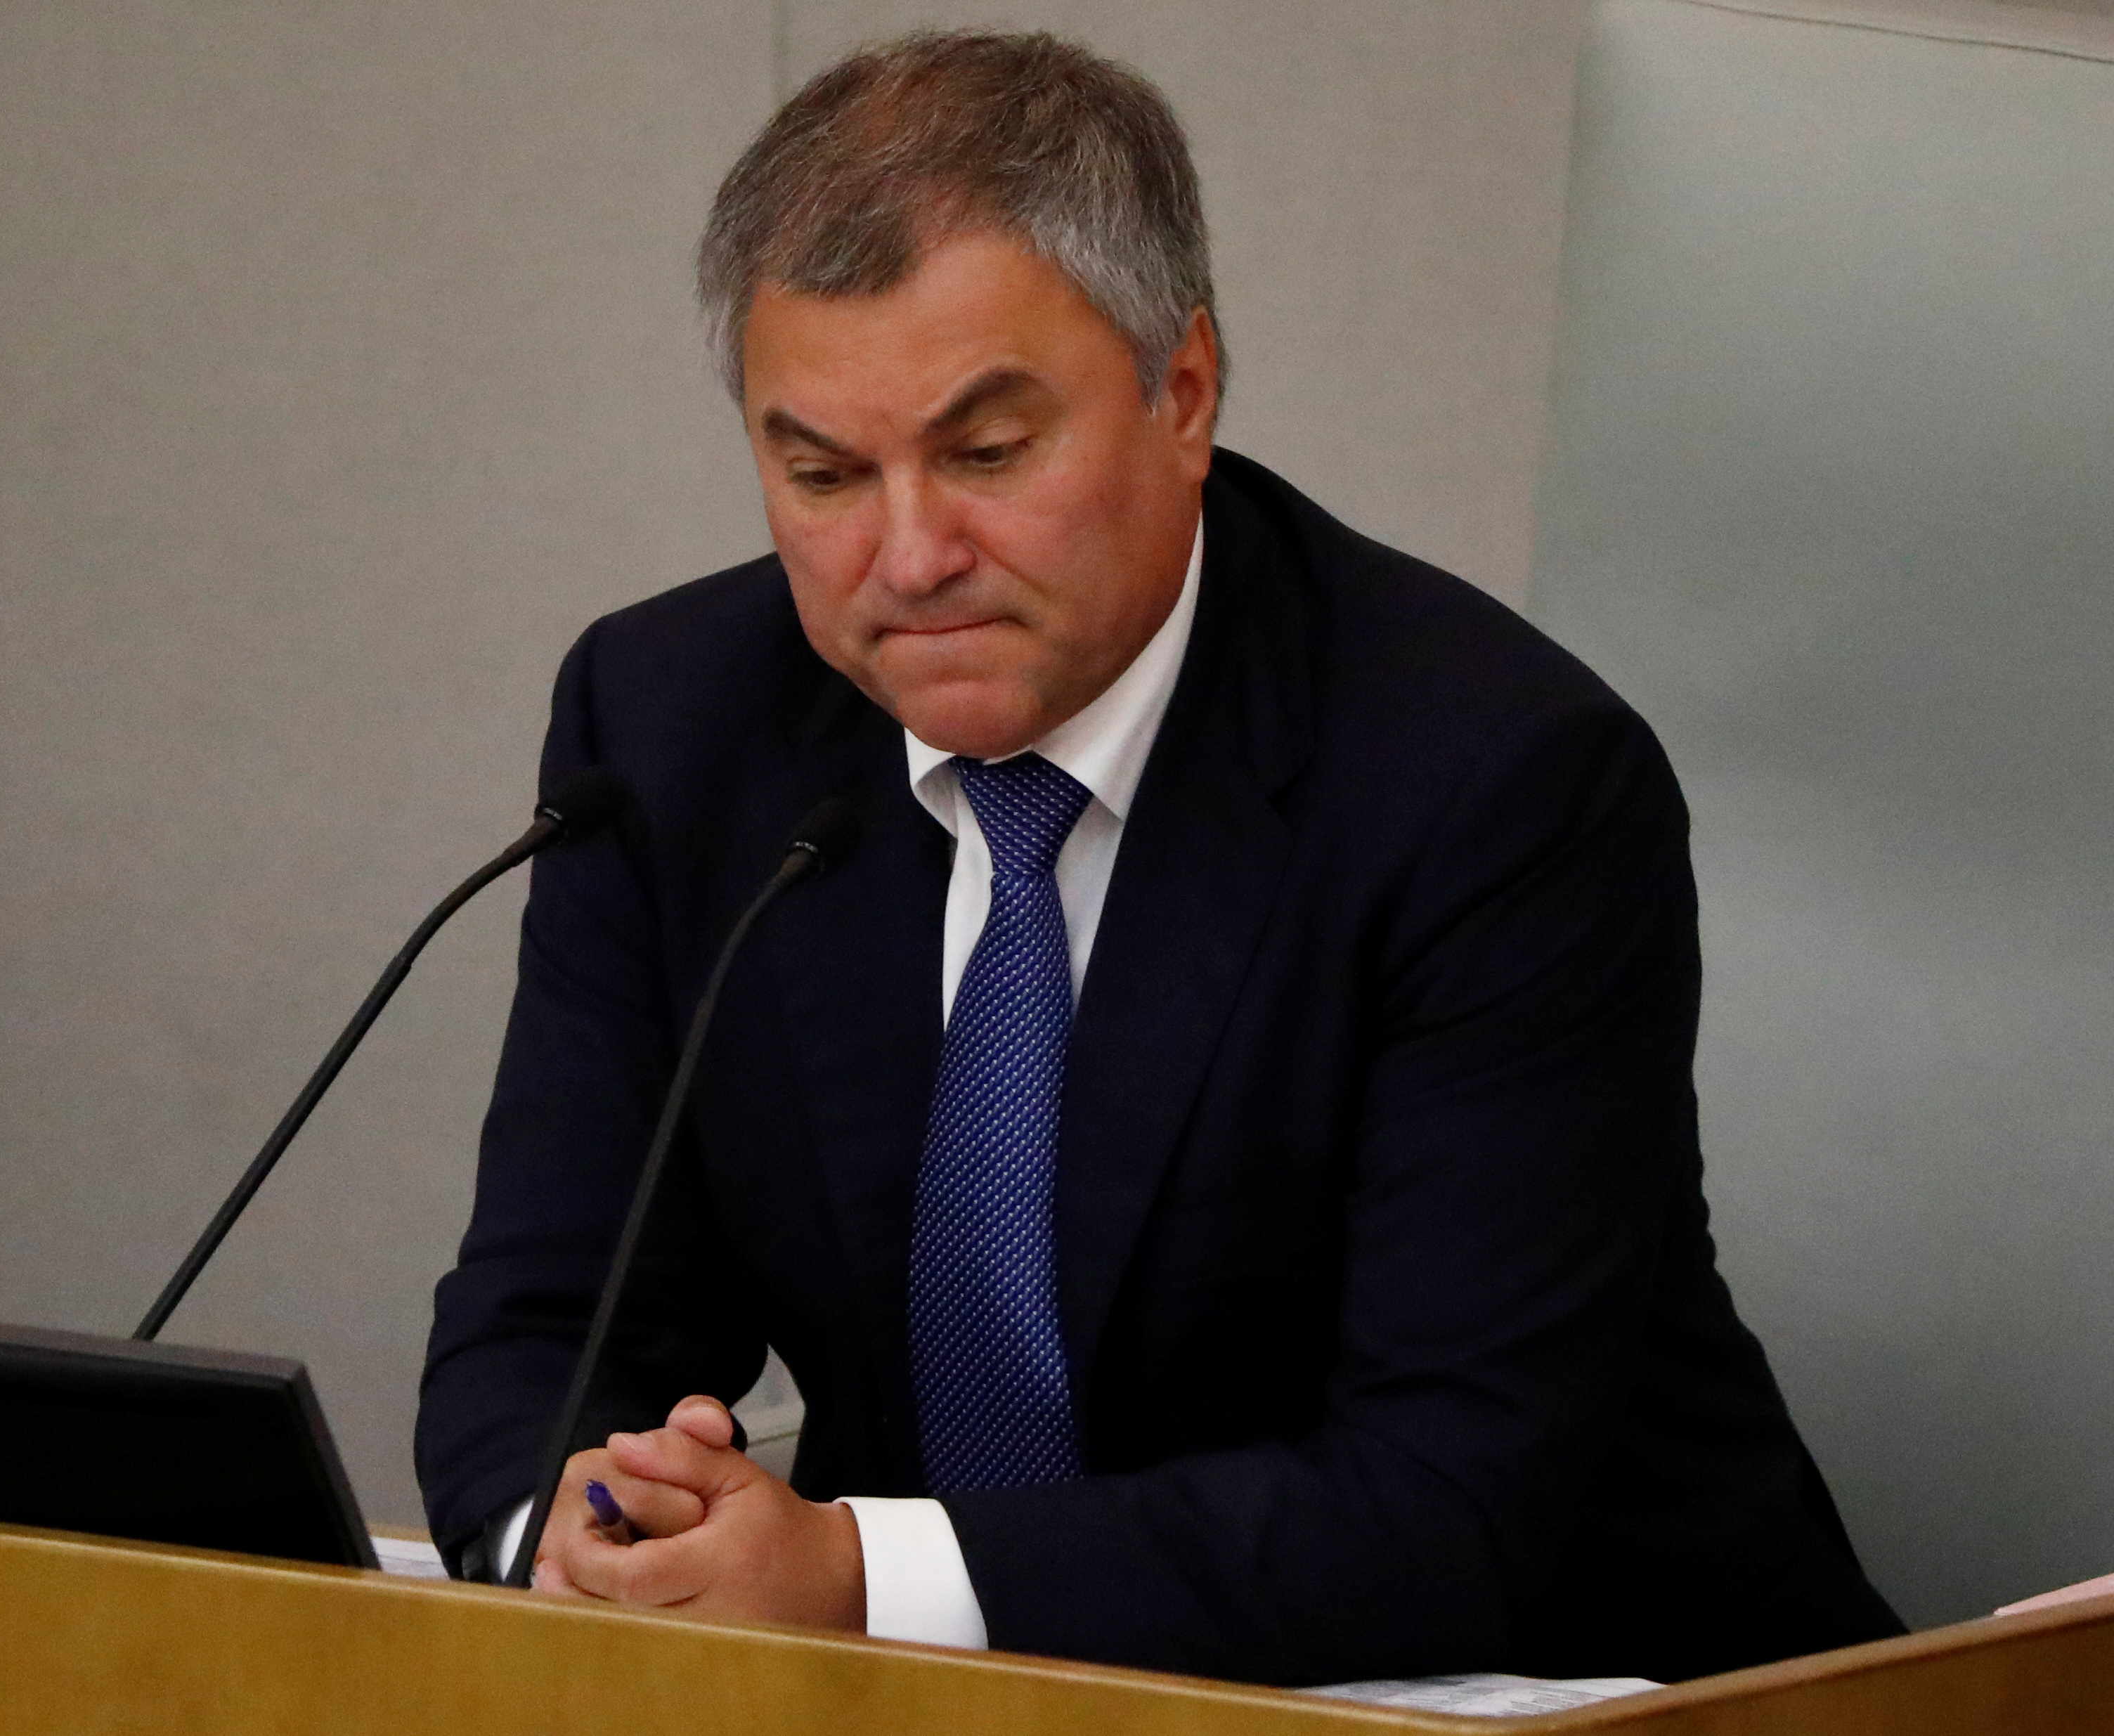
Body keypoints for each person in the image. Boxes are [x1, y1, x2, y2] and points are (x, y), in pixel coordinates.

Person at [415, 30, 1902, 1685]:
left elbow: (1443, 1506)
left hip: (1561, 1696)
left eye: (986, 454)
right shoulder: (677, 727)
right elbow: (549, 1323)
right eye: (821, 471)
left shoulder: (1491, 781)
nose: (906, 555)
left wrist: (847, 1566)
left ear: (1180, 390)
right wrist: (575, 1525)